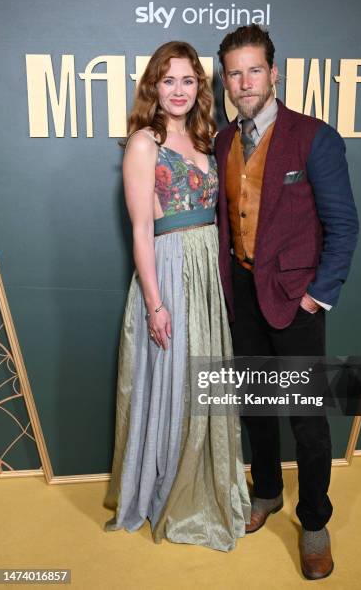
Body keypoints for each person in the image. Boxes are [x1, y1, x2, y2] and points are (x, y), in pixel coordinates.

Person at [215, 25, 359, 578]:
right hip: (243, 295)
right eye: (234, 72)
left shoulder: (314, 137)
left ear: (275, 74)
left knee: (308, 419)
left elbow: (343, 226)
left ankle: (316, 521)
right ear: (225, 80)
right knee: (255, 404)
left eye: (255, 70)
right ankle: (268, 491)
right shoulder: (225, 142)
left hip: (297, 301)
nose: (245, 82)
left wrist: (316, 299)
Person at [103, 41, 250, 552]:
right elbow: (142, 231)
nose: (180, 91)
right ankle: (166, 485)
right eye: (169, 81)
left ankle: (205, 482)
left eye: (189, 80)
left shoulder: (211, 141)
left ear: (201, 87)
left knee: (203, 376)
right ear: (153, 86)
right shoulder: (145, 143)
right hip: (167, 269)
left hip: (209, 272)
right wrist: (155, 302)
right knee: (171, 378)